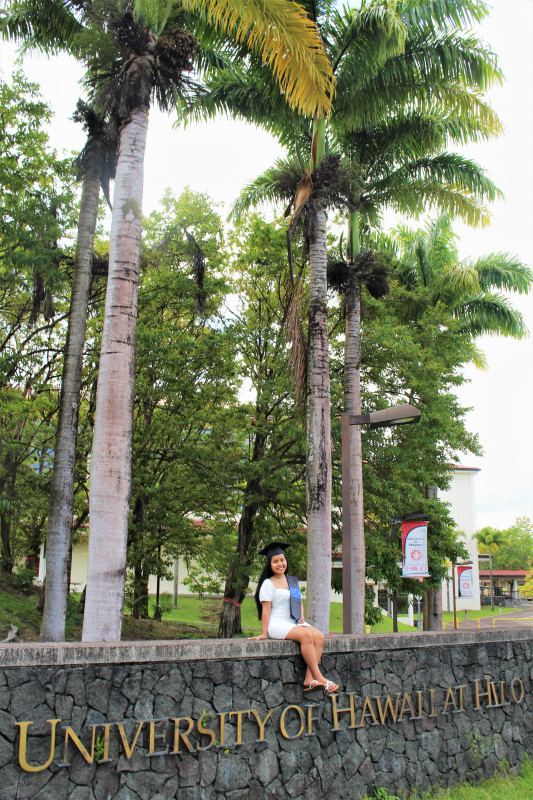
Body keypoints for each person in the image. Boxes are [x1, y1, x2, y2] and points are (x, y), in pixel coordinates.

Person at [250, 542, 339, 694]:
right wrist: (264, 633)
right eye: (275, 561)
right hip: (277, 623)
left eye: (282, 560)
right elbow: (266, 610)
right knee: (306, 635)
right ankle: (320, 678)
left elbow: (298, 603)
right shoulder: (268, 583)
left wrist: (301, 617)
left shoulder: (292, 581)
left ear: (286, 561)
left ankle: (309, 679)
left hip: (293, 620)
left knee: (318, 637)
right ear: (270, 565)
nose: (280, 564)